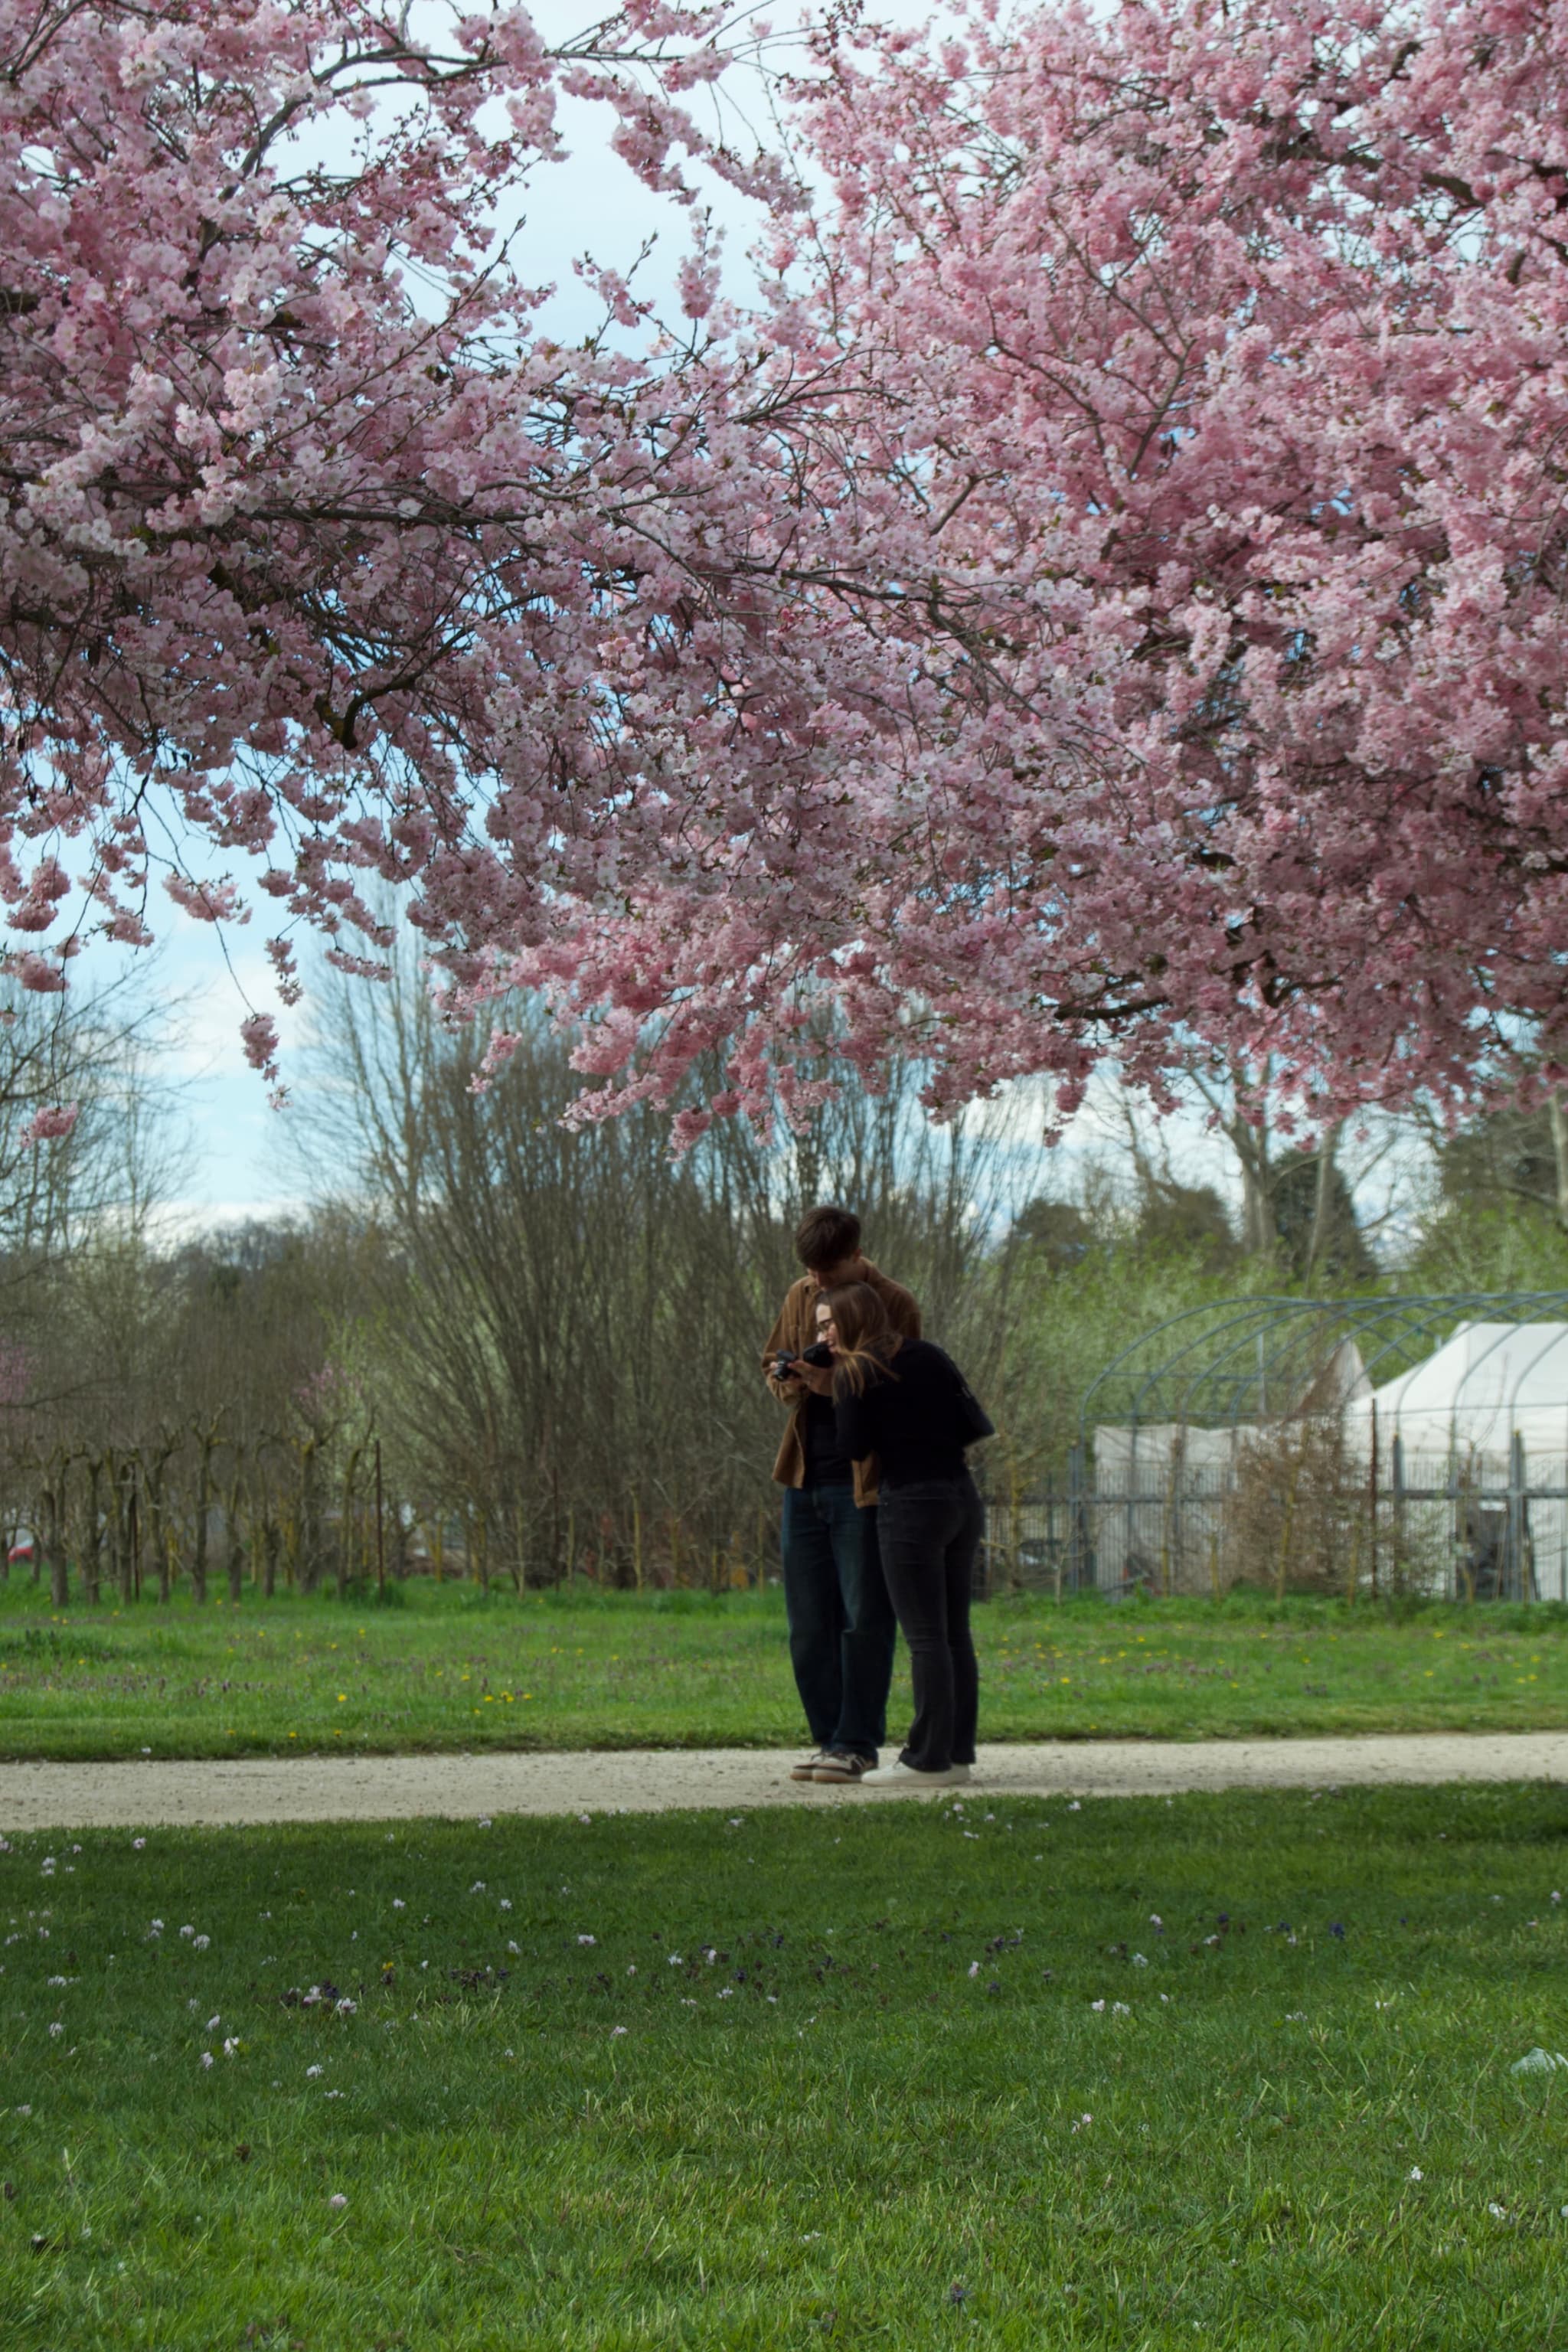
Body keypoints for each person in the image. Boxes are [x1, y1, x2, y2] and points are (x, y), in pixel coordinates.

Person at [762, 1205, 920, 1784]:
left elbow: (909, 1386)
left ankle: (857, 1742)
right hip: (803, 1478)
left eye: (829, 1270)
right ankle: (829, 1738)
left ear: (857, 1255)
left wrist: (841, 1383)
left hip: (866, 1485)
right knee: (808, 1623)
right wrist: (789, 1379)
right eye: (811, 1271)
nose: (818, 1282)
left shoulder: (895, 1302)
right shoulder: (800, 1294)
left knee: (864, 1619)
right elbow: (768, 1359)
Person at [819, 1281, 991, 1788]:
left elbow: (852, 1447)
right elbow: (967, 1424)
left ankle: (926, 1761)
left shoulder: (854, 1371)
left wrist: (836, 1392)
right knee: (955, 1633)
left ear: (851, 1322)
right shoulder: (930, 1355)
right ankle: (957, 1754)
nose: (824, 1335)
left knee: (924, 1638)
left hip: (910, 1503)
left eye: (829, 1324)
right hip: (961, 1496)